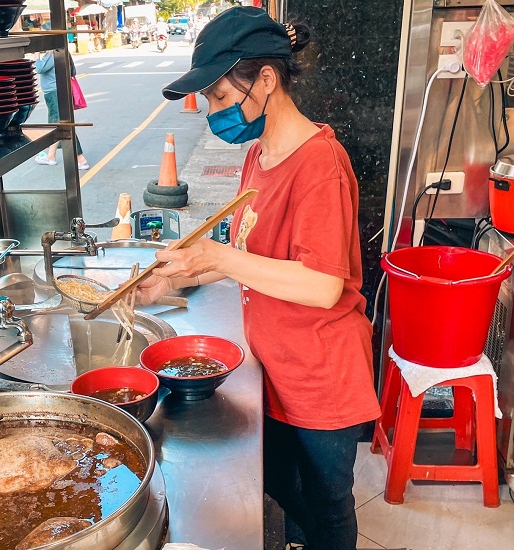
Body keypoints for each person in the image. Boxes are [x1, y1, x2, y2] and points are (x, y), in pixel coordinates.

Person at [140, 7, 379, 550]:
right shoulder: (259, 155)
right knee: (283, 492)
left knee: (328, 508)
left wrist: (220, 261)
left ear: (266, 79)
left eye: (222, 97)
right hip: (273, 366)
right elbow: (247, 249)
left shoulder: (319, 163)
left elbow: (321, 285)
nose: (215, 113)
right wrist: (179, 275)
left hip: (320, 377)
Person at [34, 41, 89, 170]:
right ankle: (50, 155)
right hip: (60, 91)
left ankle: (80, 158)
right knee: (59, 124)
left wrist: (36, 55)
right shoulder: (63, 53)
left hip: (54, 93)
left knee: (60, 125)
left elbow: (39, 68)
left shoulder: (53, 54)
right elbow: (73, 71)